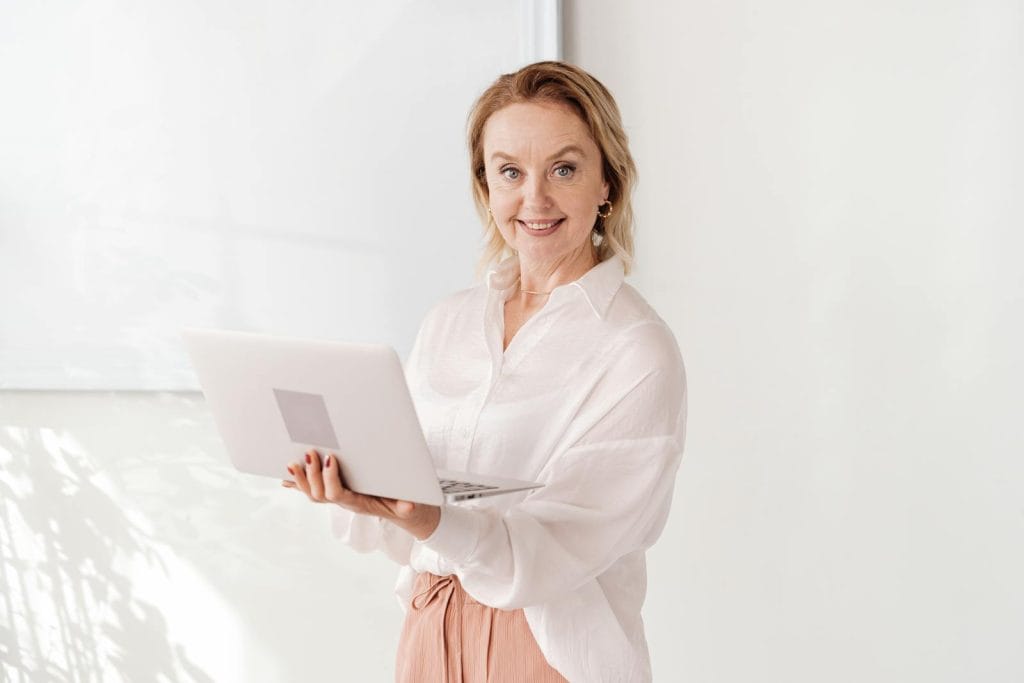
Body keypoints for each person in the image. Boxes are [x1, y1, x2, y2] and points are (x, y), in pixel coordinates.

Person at [283, 61, 687, 682]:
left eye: (564, 169)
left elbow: (557, 549)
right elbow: (407, 522)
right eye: (510, 172)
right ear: (486, 186)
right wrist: (358, 493)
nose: (535, 199)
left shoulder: (635, 351)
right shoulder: (449, 323)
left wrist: (429, 518)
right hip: (431, 625)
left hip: (547, 650)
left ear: (607, 182)